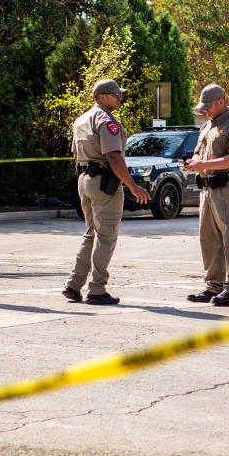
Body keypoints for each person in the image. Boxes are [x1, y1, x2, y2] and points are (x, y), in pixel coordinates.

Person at [62, 78, 150, 306]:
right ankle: (97, 288)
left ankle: (74, 284)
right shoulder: (106, 121)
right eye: (115, 94)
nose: (119, 98)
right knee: (105, 236)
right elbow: (113, 156)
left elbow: (75, 155)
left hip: (85, 179)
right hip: (103, 182)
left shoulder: (81, 120)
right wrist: (132, 186)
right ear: (101, 97)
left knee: (91, 233)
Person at [183, 84, 229, 307]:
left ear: (221, 102)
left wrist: (203, 163)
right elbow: (198, 151)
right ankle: (213, 285)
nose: (205, 111)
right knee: (209, 239)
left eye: (208, 106)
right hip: (207, 189)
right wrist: (194, 161)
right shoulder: (206, 127)